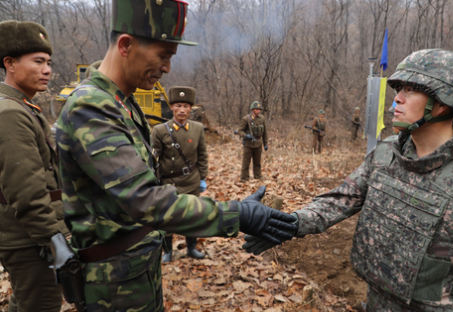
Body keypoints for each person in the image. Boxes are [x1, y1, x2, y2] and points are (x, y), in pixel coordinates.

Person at [244, 49, 453, 311]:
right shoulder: (386, 152)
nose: (397, 98)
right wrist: (292, 223)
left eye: (411, 90)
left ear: (444, 103)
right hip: (377, 300)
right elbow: (342, 198)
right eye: (399, 89)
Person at [55, 1, 296, 311]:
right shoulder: (91, 108)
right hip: (112, 283)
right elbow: (146, 199)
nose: (167, 67)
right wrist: (238, 215)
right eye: (163, 55)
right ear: (126, 45)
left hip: (135, 270)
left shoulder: (120, 103)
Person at [0, 20, 67, 312]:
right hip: (26, 238)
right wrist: (52, 238)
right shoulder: (10, 113)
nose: (47, 70)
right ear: (10, 63)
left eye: (49, 62)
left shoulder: (24, 107)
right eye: (38, 61)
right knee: (40, 306)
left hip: (29, 234)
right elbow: (26, 190)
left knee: (25, 302)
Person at [151, 86, 207, 261]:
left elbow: (202, 155)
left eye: (186, 106)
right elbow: (154, 158)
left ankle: (191, 248)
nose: (182, 110)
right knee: (167, 219)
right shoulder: (160, 130)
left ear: (191, 108)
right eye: (178, 106)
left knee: (192, 216)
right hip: (169, 183)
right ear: (171, 107)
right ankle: (167, 251)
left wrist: (202, 178)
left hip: (191, 180)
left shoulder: (198, 128)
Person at [238, 100, 268, 181]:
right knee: (246, 163)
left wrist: (265, 143)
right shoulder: (246, 119)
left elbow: (265, 132)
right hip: (248, 144)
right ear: (253, 110)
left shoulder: (262, 118)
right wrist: (246, 135)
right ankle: (244, 178)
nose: (258, 111)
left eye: (259, 109)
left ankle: (258, 176)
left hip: (258, 143)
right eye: (257, 109)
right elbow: (240, 131)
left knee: (257, 163)